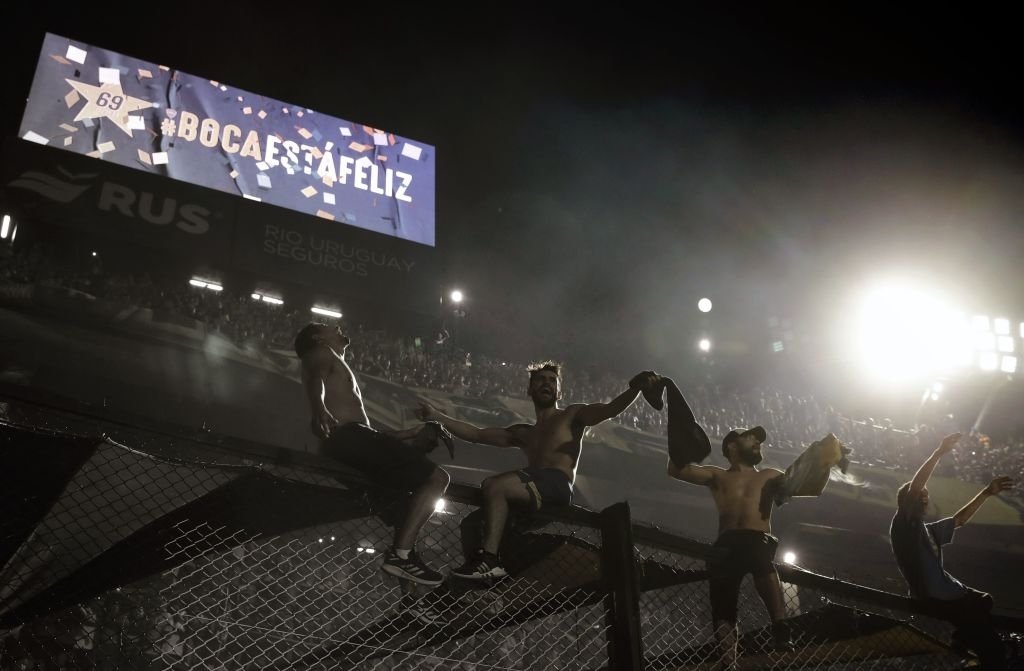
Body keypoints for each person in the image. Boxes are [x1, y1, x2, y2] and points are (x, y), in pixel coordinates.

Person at [416, 362, 660, 579]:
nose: (547, 384)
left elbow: (609, 410)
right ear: (530, 389)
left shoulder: (571, 415)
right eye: (541, 380)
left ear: (559, 391)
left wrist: (636, 389)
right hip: (531, 491)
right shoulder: (525, 432)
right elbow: (477, 434)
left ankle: (489, 561)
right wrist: (436, 415)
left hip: (556, 485)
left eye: (552, 381)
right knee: (472, 523)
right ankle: (484, 579)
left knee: (494, 485)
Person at [295, 322, 451, 586]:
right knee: (437, 478)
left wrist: (408, 434)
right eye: (327, 325)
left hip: (352, 440)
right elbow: (314, 380)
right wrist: (318, 409)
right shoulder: (322, 353)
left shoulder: (337, 366)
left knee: (407, 509)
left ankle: (410, 598)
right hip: (346, 437)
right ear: (318, 337)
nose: (336, 325)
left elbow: (368, 435)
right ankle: (401, 556)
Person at [667, 426, 795, 668]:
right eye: (750, 437)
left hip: (756, 538)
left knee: (759, 556)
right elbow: (675, 470)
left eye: (758, 439)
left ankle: (780, 626)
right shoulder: (718, 476)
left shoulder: (769, 475)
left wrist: (821, 462)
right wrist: (679, 440)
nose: (757, 440)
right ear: (732, 446)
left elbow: (798, 485)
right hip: (727, 542)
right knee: (723, 607)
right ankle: (729, 663)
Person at [889, 431, 1014, 670]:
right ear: (909, 501)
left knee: (984, 602)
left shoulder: (925, 530)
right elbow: (916, 486)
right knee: (991, 647)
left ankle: (963, 641)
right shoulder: (903, 524)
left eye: (926, 496)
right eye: (921, 496)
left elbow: (959, 520)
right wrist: (938, 453)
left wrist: (986, 493)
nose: (925, 499)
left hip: (950, 593)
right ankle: (971, 645)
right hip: (935, 597)